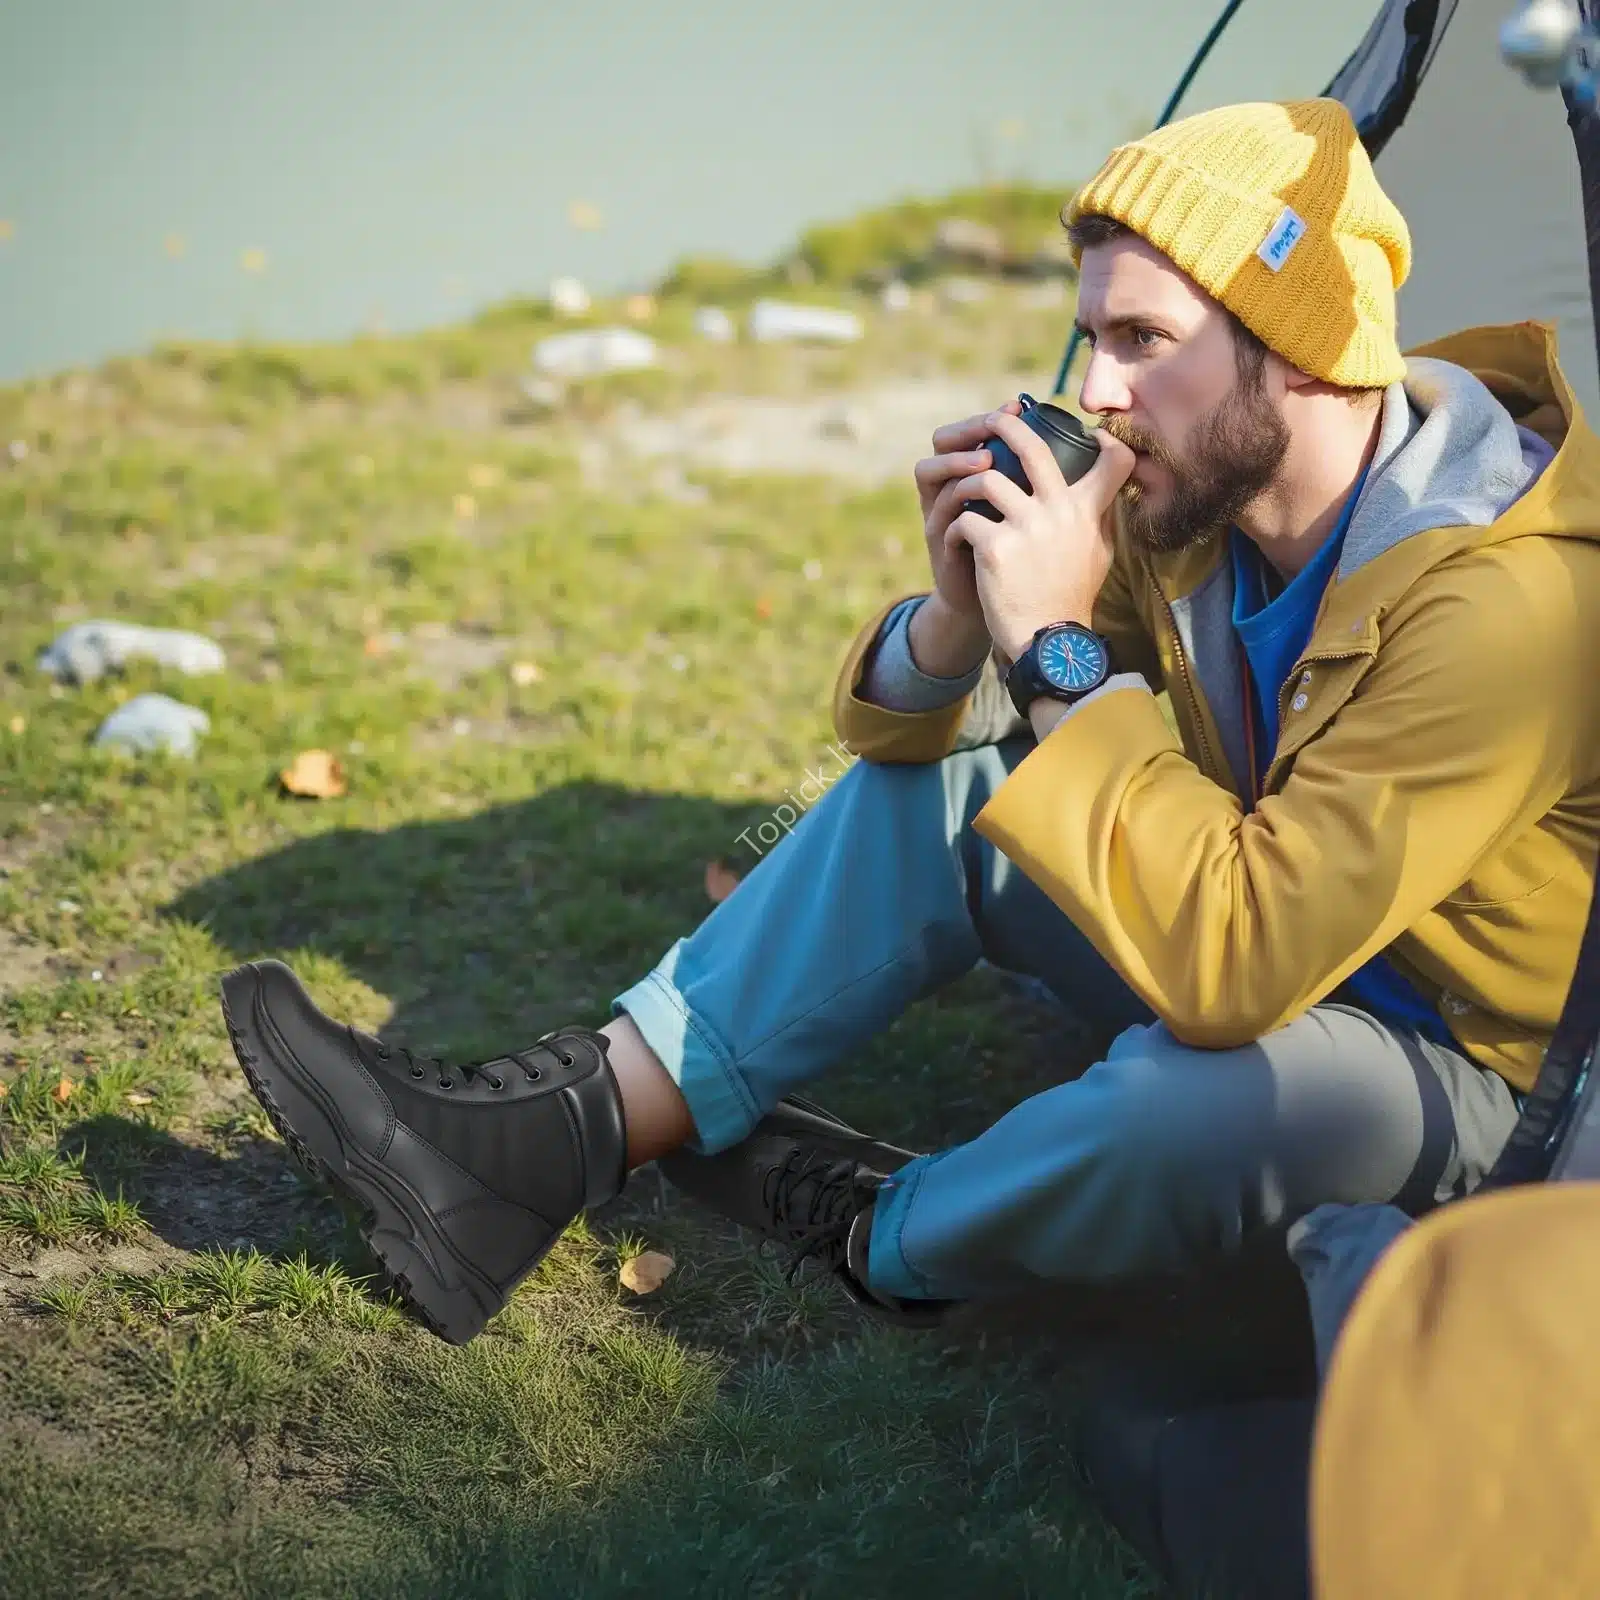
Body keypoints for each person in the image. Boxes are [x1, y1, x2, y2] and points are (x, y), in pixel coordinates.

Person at [218, 98, 1600, 1348]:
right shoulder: (1202, 505)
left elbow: (1236, 971)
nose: (1098, 392)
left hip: (1486, 1081)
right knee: (950, 800)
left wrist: (1058, 644)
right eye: (1095, 334)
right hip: (1261, 930)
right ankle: (545, 1140)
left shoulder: (1511, 606)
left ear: (1299, 352)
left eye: (1144, 340)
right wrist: (955, 618)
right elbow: (907, 752)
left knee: (1195, 1100)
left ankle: (883, 1234)